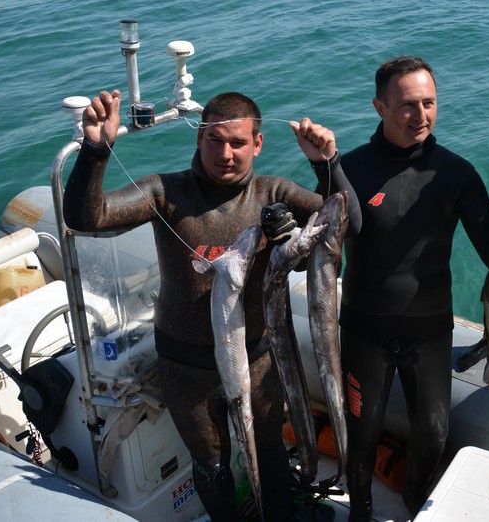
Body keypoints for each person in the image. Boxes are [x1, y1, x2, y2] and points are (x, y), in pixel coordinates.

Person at [63, 89, 359, 522]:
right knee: (210, 463)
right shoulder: (165, 192)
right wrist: (95, 150)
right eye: (215, 140)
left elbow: (349, 223)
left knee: (270, 452)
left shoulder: (272, 192)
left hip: (258, 359)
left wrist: (326, 163)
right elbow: (86, 218)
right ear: (199, 138)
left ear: (257, 144)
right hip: (186, 367)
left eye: (238, 142)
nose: (225, 153)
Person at [292, 56, 489, 521]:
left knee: (433, 433)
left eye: (429, 103)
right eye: (408, 105)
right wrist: (326, 166)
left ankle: (414, 503)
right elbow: (353, 228)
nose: (421, 114)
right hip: (365, 329)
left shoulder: (455, 173)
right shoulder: (353, 167)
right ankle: (361, 511)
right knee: (361, 432)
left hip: (428, 329)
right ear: (380, 107)